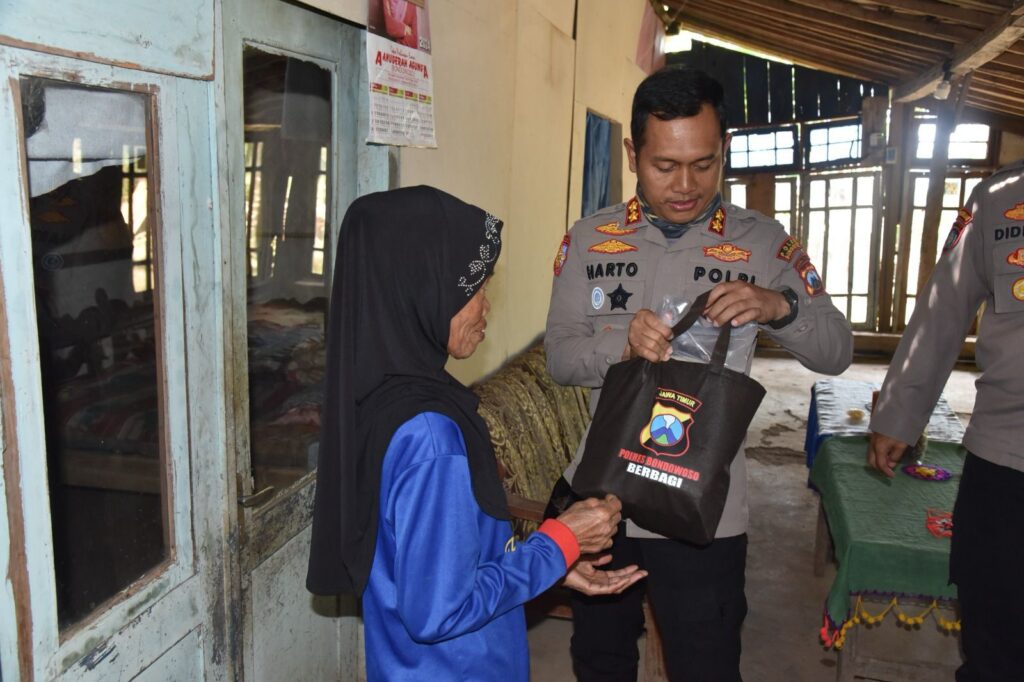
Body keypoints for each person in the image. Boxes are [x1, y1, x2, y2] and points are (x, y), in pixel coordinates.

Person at [545, 67, 853, 680]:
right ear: (633, 153)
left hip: (702, 508)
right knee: (600, 659)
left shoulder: (764, 244)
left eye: (704, 164)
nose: (685, 185)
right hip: (603, 497)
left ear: (724, 149)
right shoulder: (589, 239)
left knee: (706, 663)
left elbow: (836, 352)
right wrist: (621, 344)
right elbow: (560, 357)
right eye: (665, 166)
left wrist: (780, 306)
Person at [306, 185, 646, 681]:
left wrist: (549, 568)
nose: (486, 305)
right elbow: (439, 611)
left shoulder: (379, 399)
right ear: (420, 289)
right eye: (473, 288)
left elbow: (431, 568)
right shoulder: (430, 437)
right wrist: (558, 541)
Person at [867, 160, 1024, 681]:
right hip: (1006, 457)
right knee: (995, 638)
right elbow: (943, 308)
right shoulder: (998, 198)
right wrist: (899, 413)